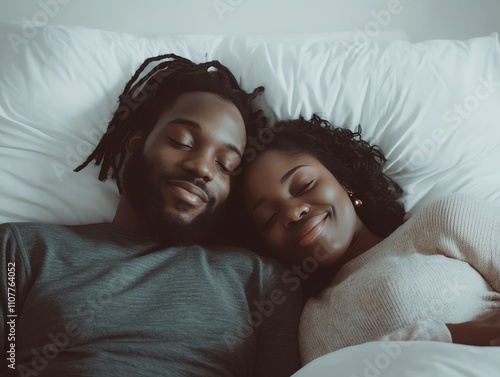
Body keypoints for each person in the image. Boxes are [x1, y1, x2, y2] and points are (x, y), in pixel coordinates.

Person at [0, 54, 303, 376]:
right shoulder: (23, 250)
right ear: (136, 143)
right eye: (181, 141)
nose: (202, 168)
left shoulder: (261, 281)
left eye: (225, 164)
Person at [238, 115, 500, 366]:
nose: (294, 212)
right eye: (270, 217)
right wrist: (434, 340)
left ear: (344, 180)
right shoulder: (307, 328)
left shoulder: (444, 220)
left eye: (305, 185)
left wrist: (442, 340)